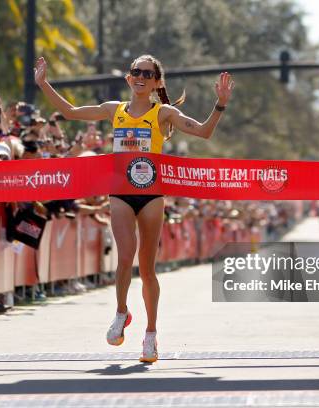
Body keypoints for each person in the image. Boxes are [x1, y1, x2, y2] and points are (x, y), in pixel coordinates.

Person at [35, 54, 234, 363]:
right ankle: (121, 312)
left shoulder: (163, 112)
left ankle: (151, 335)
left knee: (148, 267)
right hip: (120, 193)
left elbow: (204, 132)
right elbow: (70, 112)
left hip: (152, 195)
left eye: (147, 72)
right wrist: (43, 83)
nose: (140, 75)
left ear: (156, 82)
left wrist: (219, 105)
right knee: (125, 257)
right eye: (135, 71)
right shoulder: (114, 110)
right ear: (128, 78)